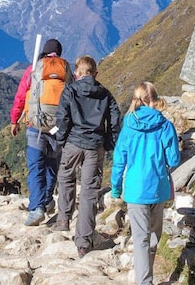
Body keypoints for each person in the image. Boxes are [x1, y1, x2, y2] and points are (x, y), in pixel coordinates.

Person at [110, 82, 180, 285]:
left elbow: (119, 159)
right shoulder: (165, 125)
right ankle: (145, 277)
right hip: (158, 188)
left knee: (140, 239)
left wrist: (115, 187)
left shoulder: (129, 125)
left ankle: (144, 280)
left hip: (135, 190)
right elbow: (174, 160)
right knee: (154, 237)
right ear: (155, 100)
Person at [54, 55, 121, 256]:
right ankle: (83, 242)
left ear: (77, 73)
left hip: (73, 143)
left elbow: (63, 118)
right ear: (95, 73)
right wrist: (109, 142)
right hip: (94, 146)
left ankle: (63, 219)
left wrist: (61, 139)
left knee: (65, 177)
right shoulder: (105, 94)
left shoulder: (70, 90)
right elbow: (115, 121)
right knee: (90, 191)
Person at [10, 38, 73, 226]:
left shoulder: (34, 70)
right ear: (59, 53)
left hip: (35, 125)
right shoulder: (66, 70)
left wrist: (15, 120)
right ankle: (46, 200)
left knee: (36, 168)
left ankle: (37, 207)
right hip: (58, 127)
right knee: (52, 165)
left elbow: (21, 97)